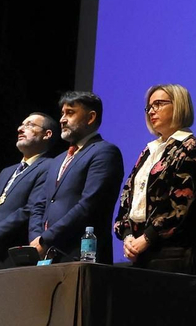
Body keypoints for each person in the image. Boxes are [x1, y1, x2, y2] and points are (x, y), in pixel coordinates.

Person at [113, 84, 196, 272]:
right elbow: (128, 195)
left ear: (179, 106)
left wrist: (147, 238)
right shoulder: (149, 151)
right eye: (149, 107)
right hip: (140, 251)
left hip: (175, 253)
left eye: (158, 104)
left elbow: (180, 205)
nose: (152, 111)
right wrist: (128, 236)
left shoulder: (192, 147)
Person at [28, 92, 124, 262]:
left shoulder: (104, 152)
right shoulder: (57, 160)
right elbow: (39, 204)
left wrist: (47, 238)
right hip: (46, 255)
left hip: (81, 255)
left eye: (70, 113)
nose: (62, 120)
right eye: (62, 113)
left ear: (90, 117)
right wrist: (37, 239)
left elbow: (89, 205)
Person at [0, 113, 58, 269]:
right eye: (21, 124)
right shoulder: (7, 172)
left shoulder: (50, 166)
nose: (20, 129)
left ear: (47, 134)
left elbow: (29, 210)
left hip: (15, 253)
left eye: (30, 125)